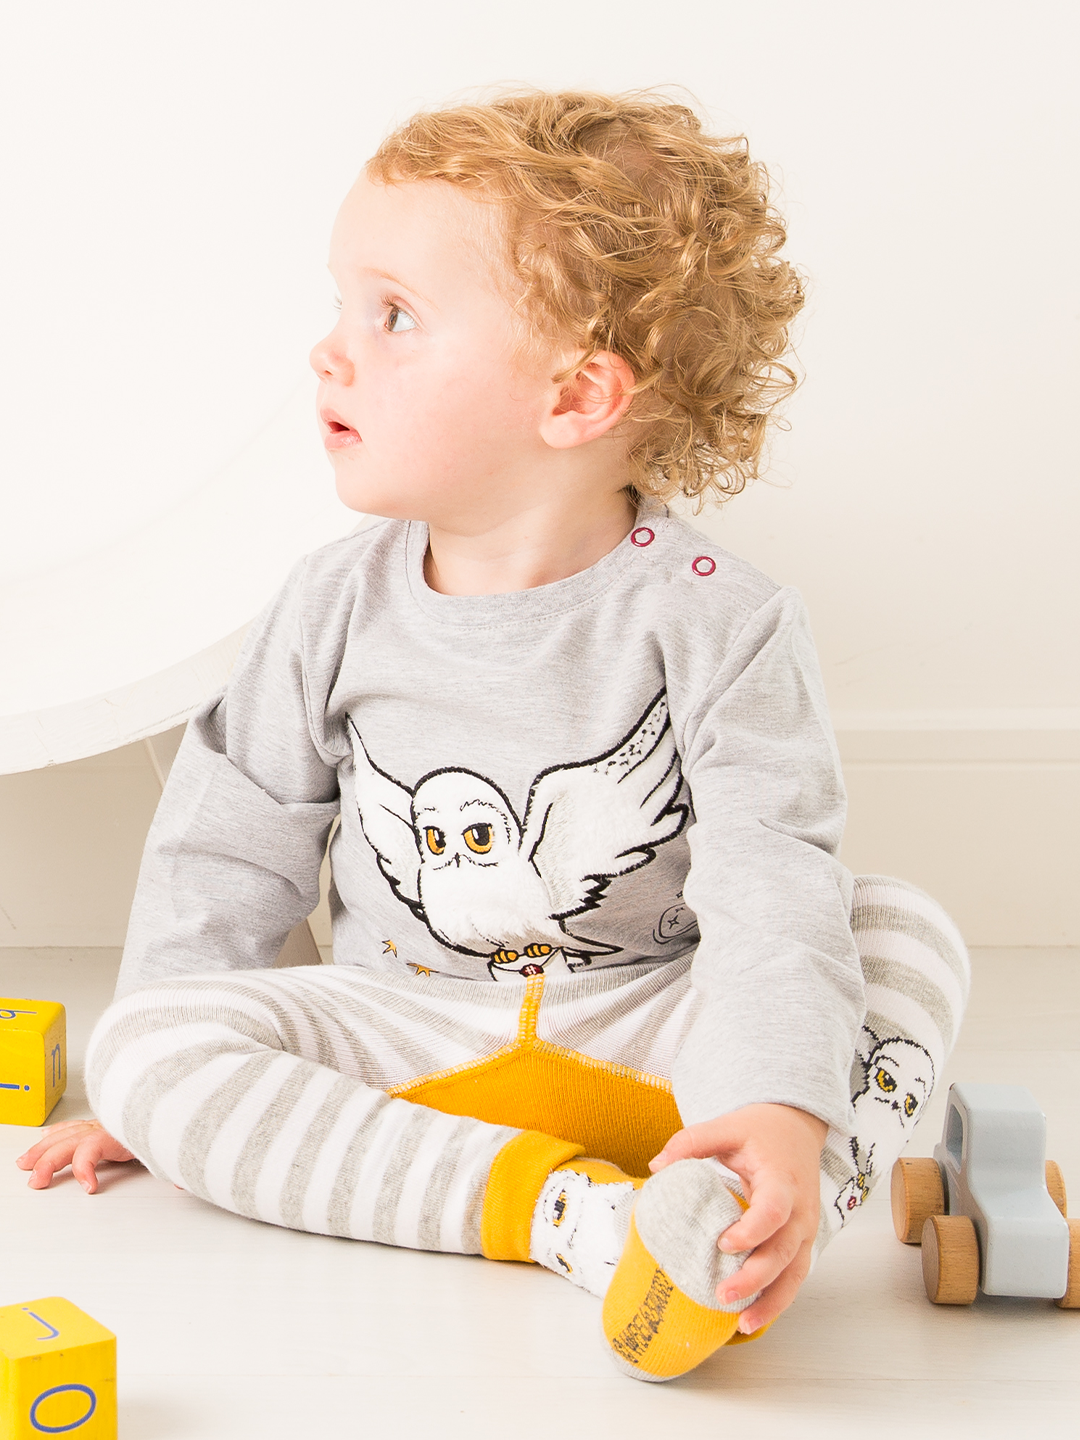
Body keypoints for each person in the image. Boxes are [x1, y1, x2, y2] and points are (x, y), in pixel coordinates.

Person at [16, 89, 968, 1383]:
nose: (330, 352)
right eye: (344, 304)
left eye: (394, 316)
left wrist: (772, 1097)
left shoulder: (721, 622)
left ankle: (762, 1187)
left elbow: (769, 882)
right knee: (145, 1045)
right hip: (407, 1035)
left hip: (654, 1029)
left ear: (574, 394)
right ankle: (572, 1215)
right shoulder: (328, 604)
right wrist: (157, 1090)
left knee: (897, 926)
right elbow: (226, 847)